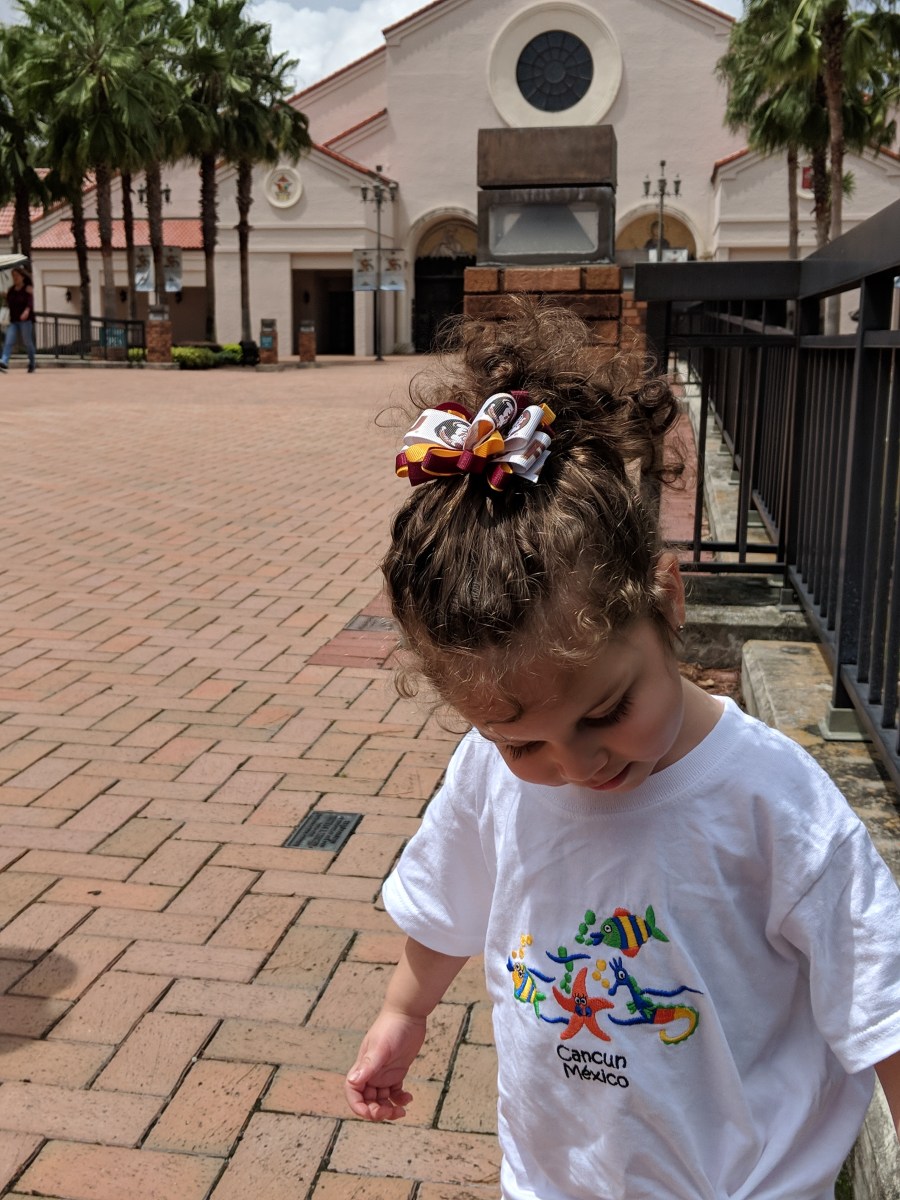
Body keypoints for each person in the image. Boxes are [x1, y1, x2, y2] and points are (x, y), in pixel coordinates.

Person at [345, 299, 900, 1199]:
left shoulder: (772, 799)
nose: (577, 764)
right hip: (555, 1175)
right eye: (523, 742)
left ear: (667, 601)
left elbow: (881, 1002)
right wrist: (403, 1014)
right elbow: (446, 899)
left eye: (607, 711)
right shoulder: (488, 774)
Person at [0, 266, 36, 374]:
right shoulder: (11, 290)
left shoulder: (27, 288)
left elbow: (30, 302)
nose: (15, 278)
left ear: (22, 277)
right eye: (13, 276)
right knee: (9, 341)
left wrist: (27, 311)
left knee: (27, 342)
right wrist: (4, 295)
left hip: (26, 321)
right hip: (14, 321)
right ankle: (4, 361)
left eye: (16, 275)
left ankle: (32, 363)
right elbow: (8, 302)